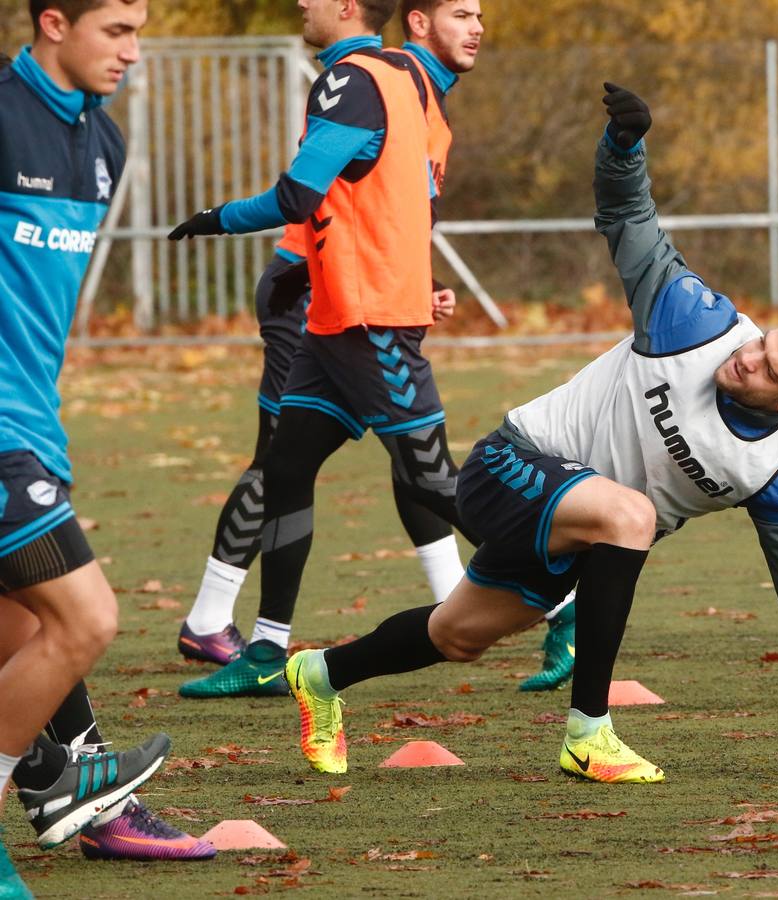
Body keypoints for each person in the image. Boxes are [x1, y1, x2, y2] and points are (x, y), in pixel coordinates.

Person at [280, 83, 778, 806]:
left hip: (579, 533)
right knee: (633, 514)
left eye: (768, 369)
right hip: (513, 464)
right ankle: (588, 733)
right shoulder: (693, 319)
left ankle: (319, 675)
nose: (747, 358)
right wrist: (623, 146)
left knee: (458, 636)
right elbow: (628, 215)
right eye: (762, 342)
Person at [169, 0, 479, 700]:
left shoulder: (355, 78)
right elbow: (383, 206)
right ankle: (267, 649)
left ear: (345, 5)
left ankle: (562, 598)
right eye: (465, 13)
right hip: (332, 322)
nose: (301, 4)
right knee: (285, 466)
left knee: (431, 478)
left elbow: (298, 194)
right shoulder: (405, 79)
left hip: (370, 324)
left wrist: (214, 220)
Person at [0, 2, 209, 894]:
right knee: (85, 619)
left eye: (138, 32)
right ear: (54, 22)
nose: (132, 51)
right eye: (116, 30)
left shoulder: (103, 145)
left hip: (34, 426)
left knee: (24, 636)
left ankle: (61, 791)